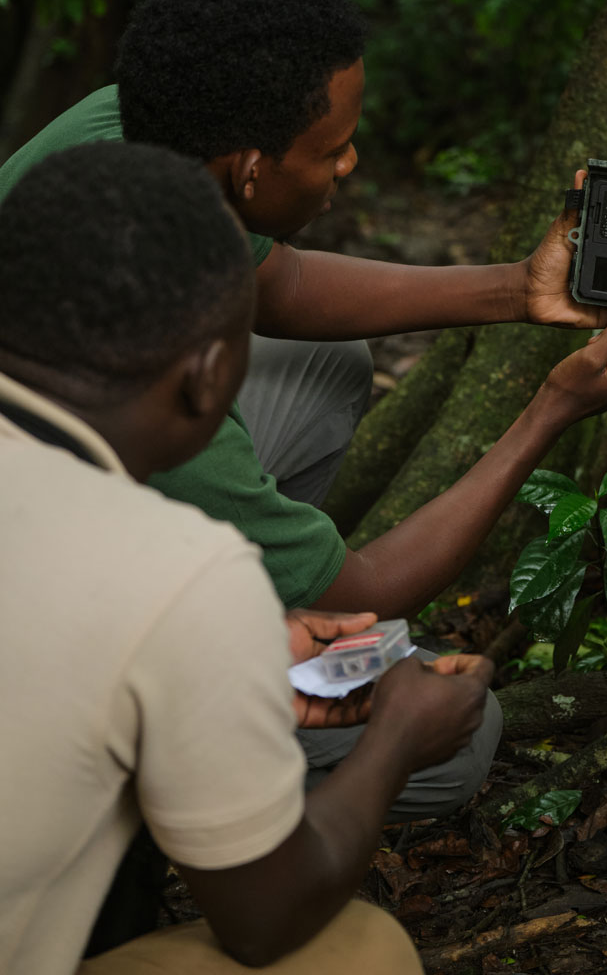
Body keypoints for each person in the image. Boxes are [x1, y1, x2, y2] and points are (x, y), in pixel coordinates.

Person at [0, 0, 607, 820]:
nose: (350, 164)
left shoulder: (144, 123)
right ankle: (151, 782)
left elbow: (284, 287)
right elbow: (365, 589)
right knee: (460, 738)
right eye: (331, 149)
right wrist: (550, 413)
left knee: (319, 367)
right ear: (248, 171)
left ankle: (242, 607)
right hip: (40, 630)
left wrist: (517, 291)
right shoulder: (156, 388)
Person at [0, 140, 496, 975]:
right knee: (365, 947)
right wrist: (396, 742)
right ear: (207, 380)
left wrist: (240, 650)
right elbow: (263, 918)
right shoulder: (182, 570)